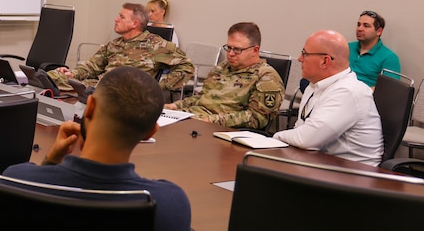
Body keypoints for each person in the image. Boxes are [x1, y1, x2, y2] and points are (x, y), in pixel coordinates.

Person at [3, 66, 191, 231]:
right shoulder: (169, 204)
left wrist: (50, 161)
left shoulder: (15, 181)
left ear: (89, 107)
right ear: (150, 132)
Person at [274, 30, 383, 166]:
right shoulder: (314, 86)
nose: (300, 58)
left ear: (325, 61)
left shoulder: (348, 92)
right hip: (322, 162)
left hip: (353, 174)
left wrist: (276, 137)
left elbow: (307, 139)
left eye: (305, 53)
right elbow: (301, 130)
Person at [50, 3, 194, 94]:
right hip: (100, 87)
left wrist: (157, 87)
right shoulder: (114, 44)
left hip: (125, 94)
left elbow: (187, 66)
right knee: (52, 77)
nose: (116, 19)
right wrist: (72, 74)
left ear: (134, 23)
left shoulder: (156, 45)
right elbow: (91, 66)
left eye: (121, 17)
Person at [164, 22, 284, 130]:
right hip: (193, 119)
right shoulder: (222, 67)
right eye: (229, 48)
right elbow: (202, 97)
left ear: (255, 50)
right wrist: (175, 106)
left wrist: (210, 121)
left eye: (237, 49)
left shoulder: (267, 78)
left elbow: (257, 118)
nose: (230, 54)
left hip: (219, 130)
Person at [348, 10, 400, 88]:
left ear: (379, 31)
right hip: (337, 92)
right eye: (358, 25)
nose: (360, 29)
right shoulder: (346, 48)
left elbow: (388, 88)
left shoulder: (389, 58)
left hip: (365, 97)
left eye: (366, 26)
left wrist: (358, 93)